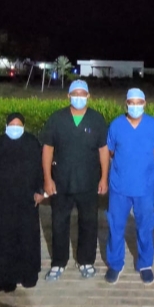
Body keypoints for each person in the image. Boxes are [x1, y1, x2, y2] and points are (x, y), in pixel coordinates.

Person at [41, 80, 110, 281]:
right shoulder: (57, 119)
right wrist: (48, 178)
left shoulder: (96, 119)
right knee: (59, 222)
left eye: (82, 94)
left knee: (89, 222)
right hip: (61, 181)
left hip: (88, 181)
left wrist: (104, 177)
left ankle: (86, 261)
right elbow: (47, 149)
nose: (79, 97)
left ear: (88, 96)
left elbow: (103, 150)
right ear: (68, 96)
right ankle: (58, 262)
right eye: (75, 94)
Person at [0, 112, 45, 293]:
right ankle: (1, 279)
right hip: (1, 202)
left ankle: (26, 275)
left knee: (26, 239)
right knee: (0, 241)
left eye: (18, 125)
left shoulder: (32, 143)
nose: (15, 128)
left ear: (24, 126)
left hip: (26, 202)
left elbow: (40, 170)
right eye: (12, 125)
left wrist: (40, 191)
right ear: (6, 126)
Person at [104, 88, 154, 285]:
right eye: (132, 102)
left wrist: (140, 165)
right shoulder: (116, 125)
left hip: (145, 186)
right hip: (120, 186)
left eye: (139, 102)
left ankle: (145, 264)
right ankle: (115, 264)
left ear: (144, 104)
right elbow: (111, 152)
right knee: (115, 226)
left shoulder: (153, 124)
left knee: (145, 226)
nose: (135, 106)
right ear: (126, 103)